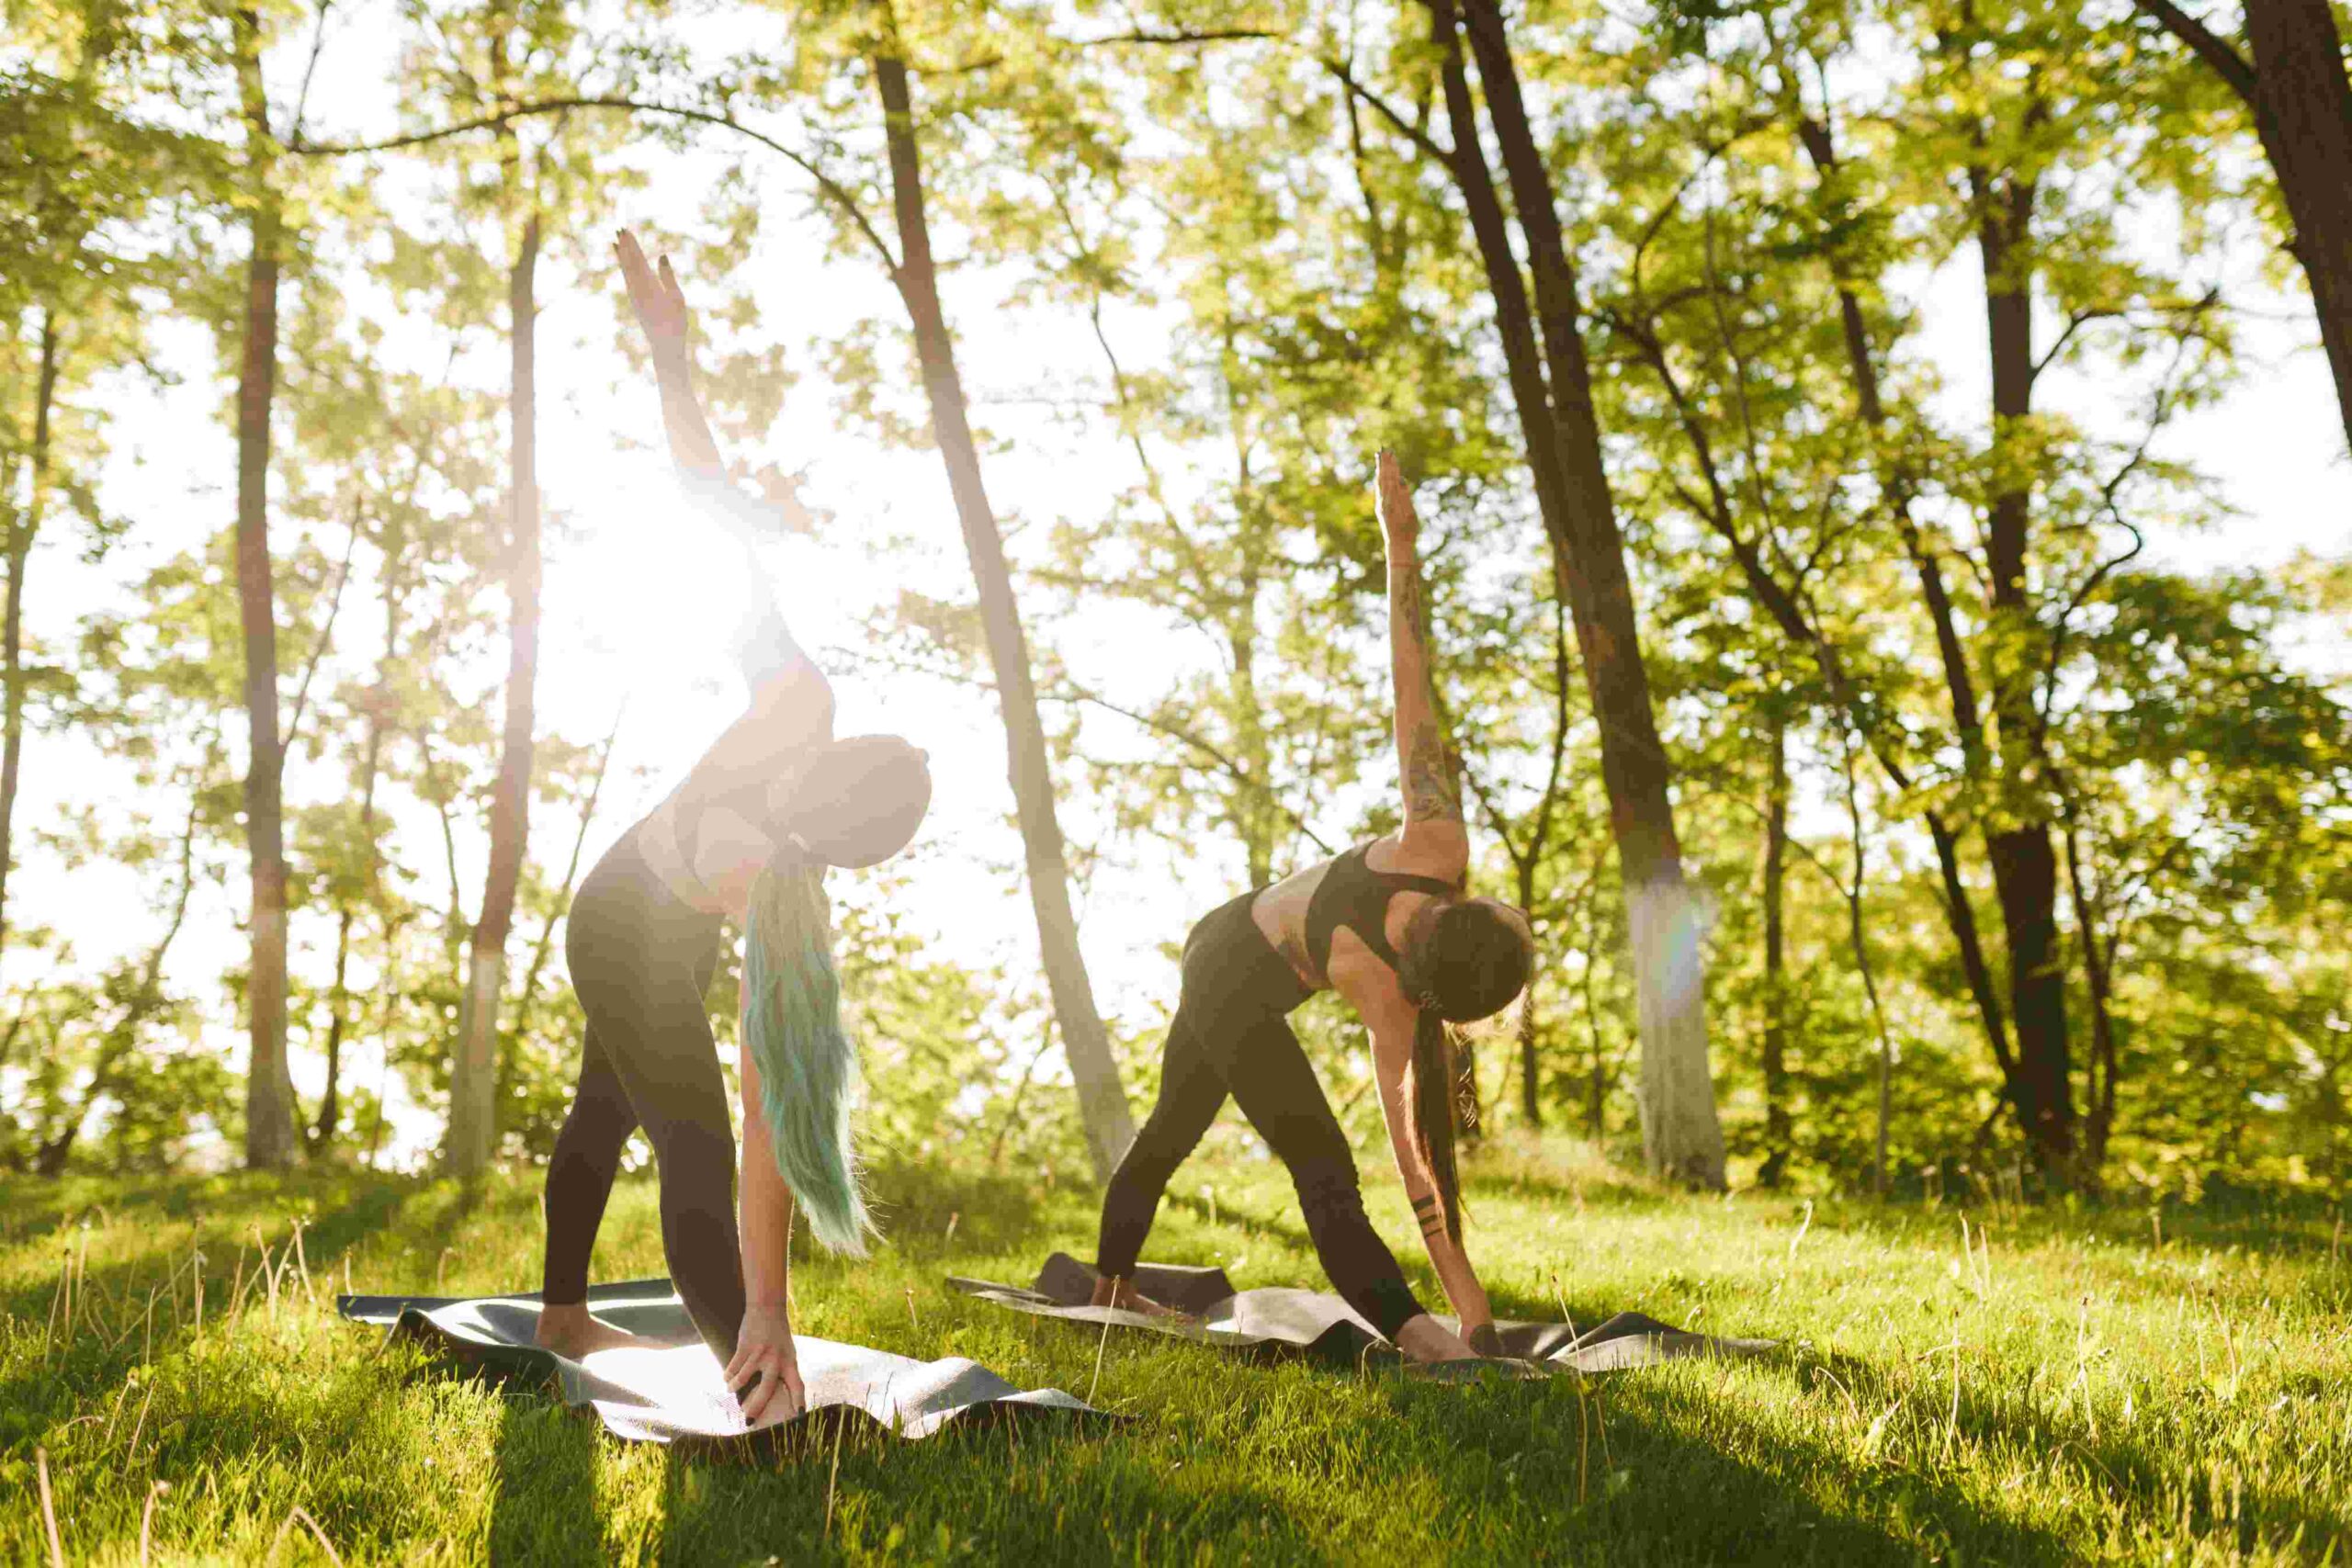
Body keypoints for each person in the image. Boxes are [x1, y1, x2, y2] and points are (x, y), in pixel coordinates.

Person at [532, 231, 933, 1425]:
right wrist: (672, 363)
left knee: (621, 1100)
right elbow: (715, 522)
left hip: (674, 927)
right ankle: (754, 1394)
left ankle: (570, 1311)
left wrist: (776, 1293)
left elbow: (776, 1115)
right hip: (616, 911)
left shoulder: (780, 897)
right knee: (679, 1129)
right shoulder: (796, 695)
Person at [1090, 451, 1534, 1363]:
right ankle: (1411, 1335)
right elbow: (1412, 687)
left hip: (1238, 958)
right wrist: (1395, 546)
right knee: (1318, 1165)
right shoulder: (1426, 874)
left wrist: (1475, 1305)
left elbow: (1421, 1163)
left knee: (1178, 1123)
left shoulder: (1421, 903)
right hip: (1226, 949)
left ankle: (1111, 1289)